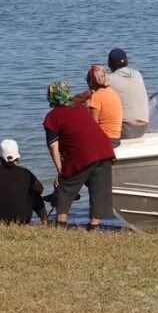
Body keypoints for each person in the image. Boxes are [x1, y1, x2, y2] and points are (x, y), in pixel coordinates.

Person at [43, 82, 116, 230]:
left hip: (82, 154)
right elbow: (85, 95)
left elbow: (53, 147)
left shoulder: (51, 118)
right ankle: (94, 227)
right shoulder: (77, 104)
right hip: (104, 150)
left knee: (65, 188)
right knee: (99, 190)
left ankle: (61, 223)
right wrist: (90, 94)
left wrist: (60, 172)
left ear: (51, 97)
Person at [0, 140, 48, 225]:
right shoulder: (25, 173)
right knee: (34, 194)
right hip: (20, 220)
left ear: (0, 157)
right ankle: (45, 222)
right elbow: (40, 189)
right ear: (17, 157)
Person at [107, 48, 149, 140]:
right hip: (143, 128)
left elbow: (91, 94)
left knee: (96, 100)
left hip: (126, 130)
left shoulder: (109, 80)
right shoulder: (138, 74)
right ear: (127, 61)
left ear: (109, 64)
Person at [86, 65, 123, 147]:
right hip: (116, 138)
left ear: (93, 80)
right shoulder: (112, 92)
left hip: (106, 139)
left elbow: (93, 126)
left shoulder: (96, 96)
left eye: (88, 80)